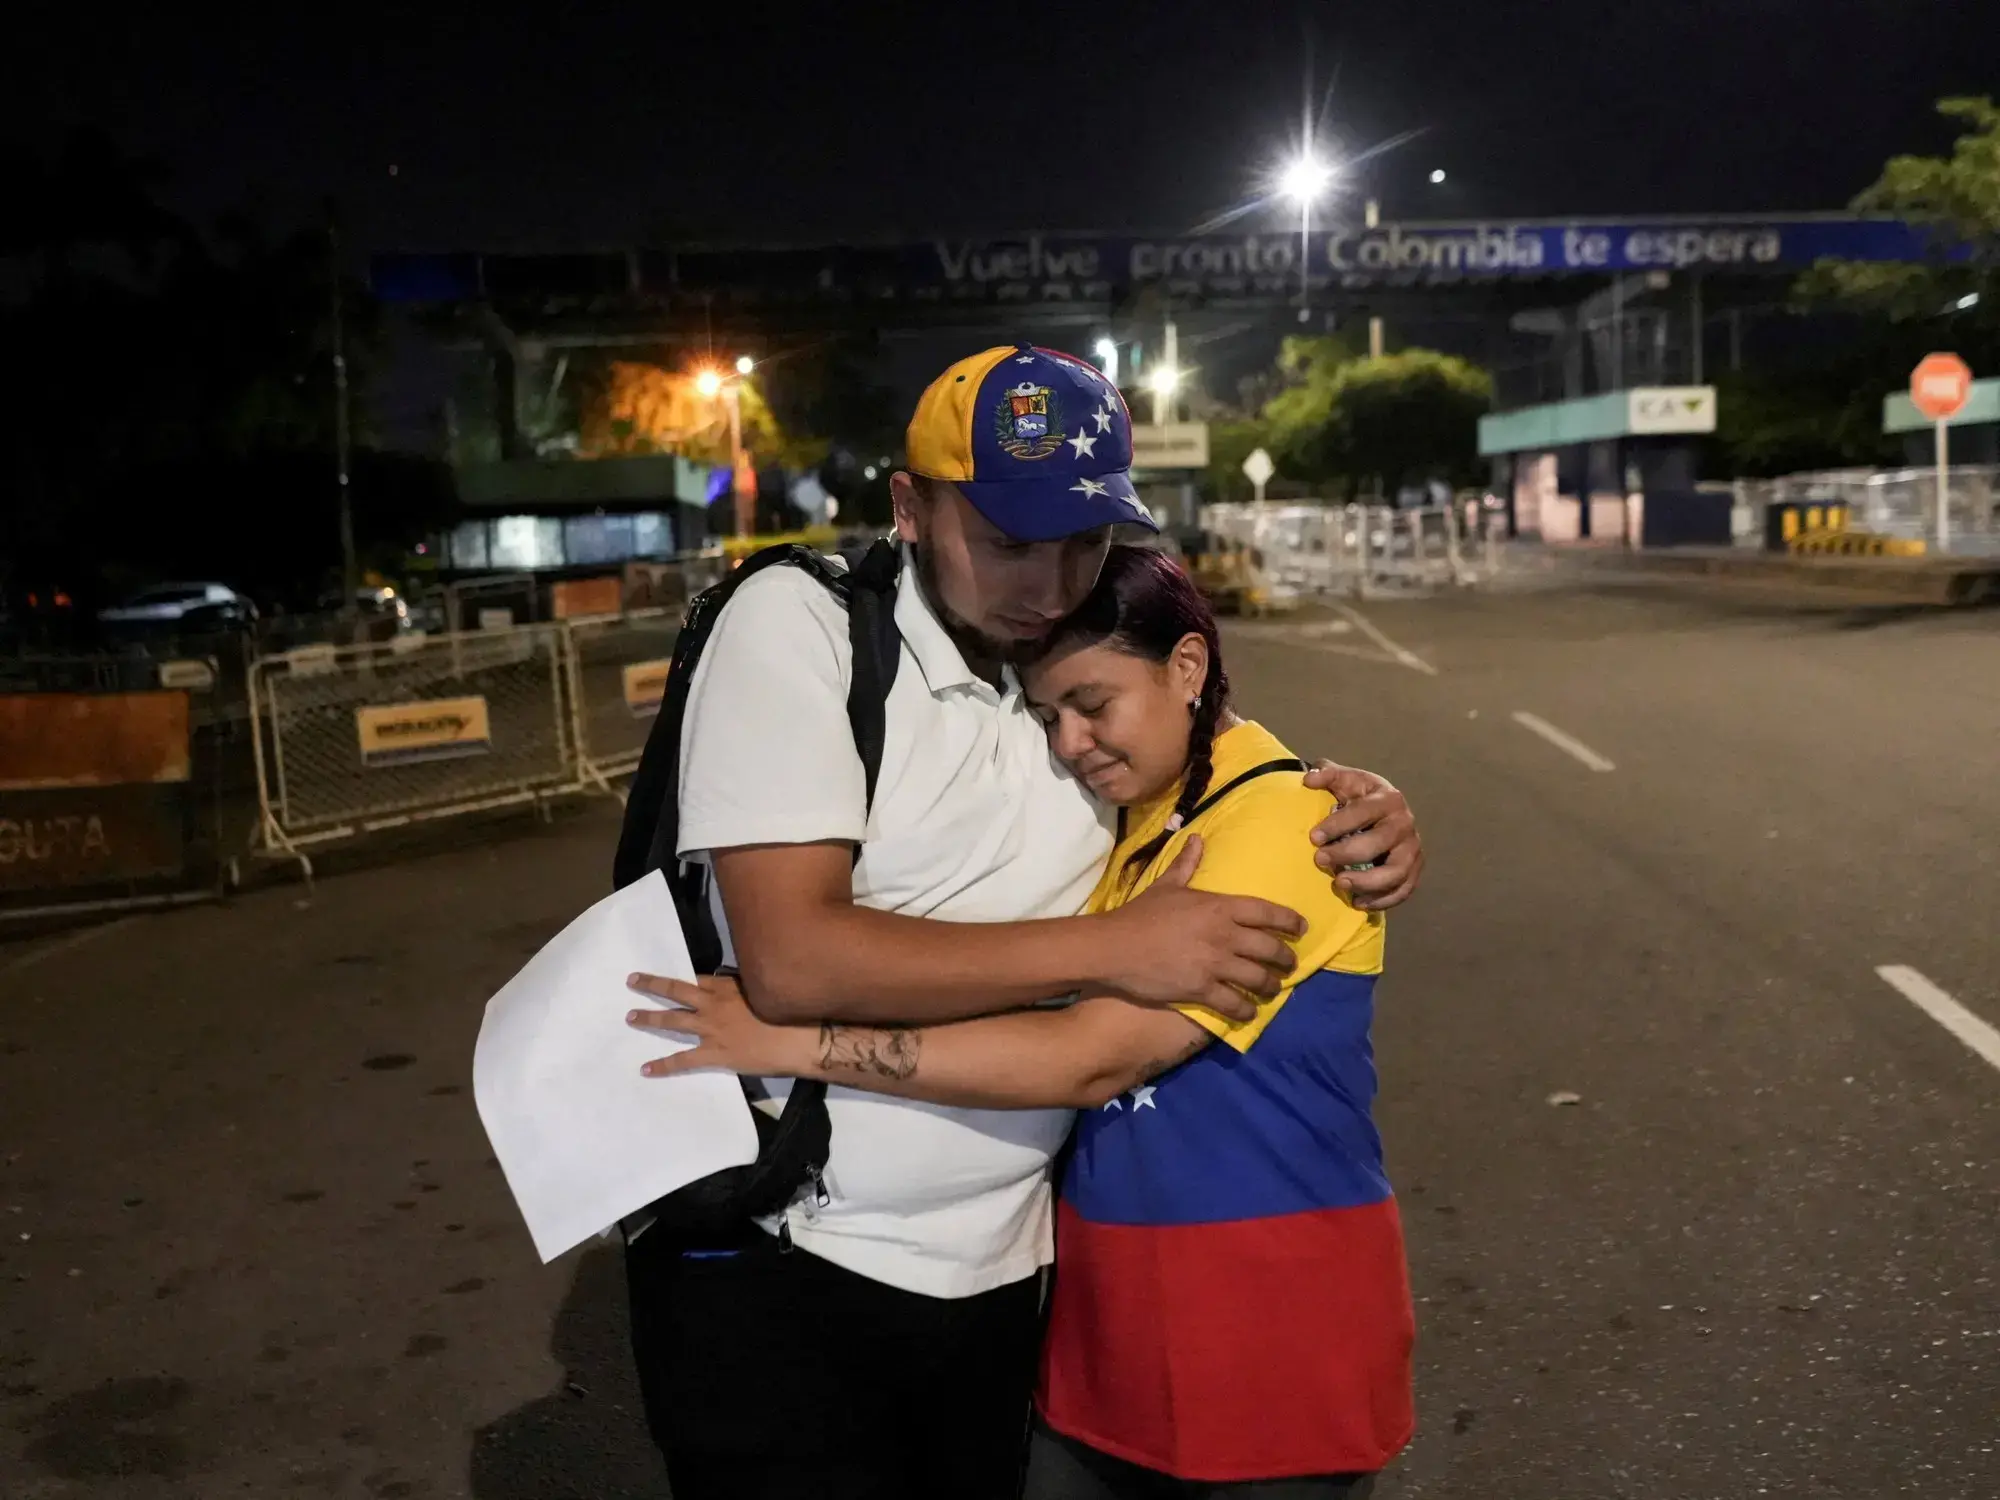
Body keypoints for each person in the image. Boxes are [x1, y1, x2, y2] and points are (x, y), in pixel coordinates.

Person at [624, 344, 1424, 1500]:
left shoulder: (1049, 673)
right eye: (1006, 541)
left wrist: (1372, 811)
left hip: (1013, 1285)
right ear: (909, 505)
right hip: (794, 1263)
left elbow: (1207, 755)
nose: (1048, 584)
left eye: (1083, 543)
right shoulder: (802, 629)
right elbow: (795, 961)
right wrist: (1116, 946)